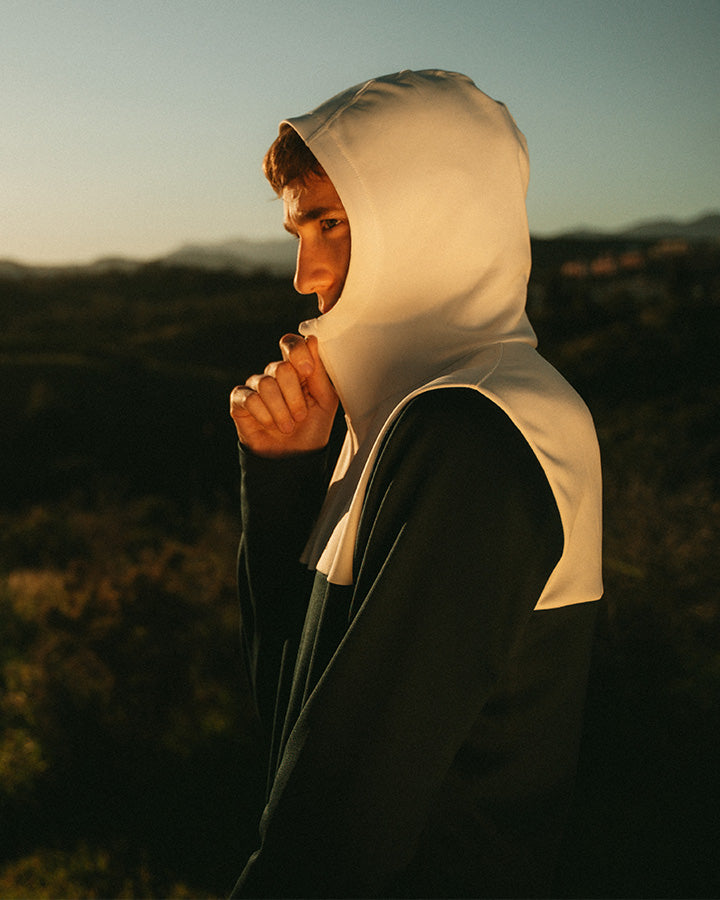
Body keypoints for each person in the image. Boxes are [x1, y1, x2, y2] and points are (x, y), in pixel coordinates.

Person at [229, 69, 602, 898]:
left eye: (333, 223)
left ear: (436, 223)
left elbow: (333, 840)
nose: (306, 273)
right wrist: (287, 475)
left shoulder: (479, 429)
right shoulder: (395, 427)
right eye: (299, 229)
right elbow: (290, 731)